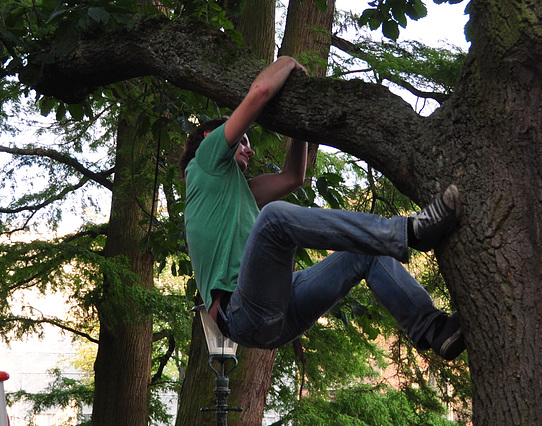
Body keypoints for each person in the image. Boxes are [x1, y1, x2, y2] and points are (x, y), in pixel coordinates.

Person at [180, 56, 465, 360]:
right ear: (210, 138)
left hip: (279, 312)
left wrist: (300, 124)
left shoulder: (236, 191)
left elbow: (293, 177)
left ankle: (433, 328)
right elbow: (260, 91)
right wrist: (288, 62)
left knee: (363, 252)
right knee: (274, 217)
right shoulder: (204, 161)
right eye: (242, 141)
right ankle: (411, 232)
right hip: (240, 312)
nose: (249, 148)